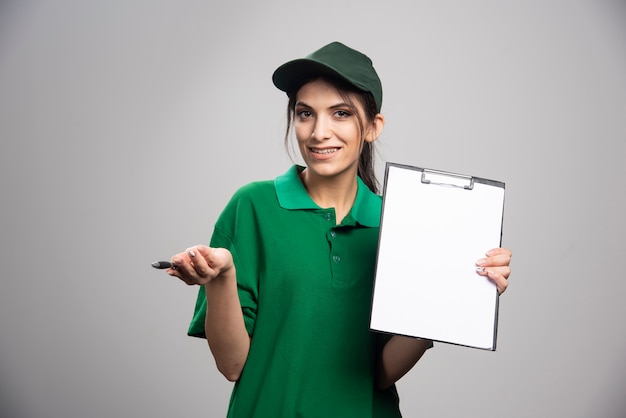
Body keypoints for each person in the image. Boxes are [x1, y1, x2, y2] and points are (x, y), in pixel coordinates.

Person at [165, 41, 512, 417]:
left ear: (372, 127)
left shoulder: (401, 225)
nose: (319, 132)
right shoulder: (252, 207)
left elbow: (380, 373)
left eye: (340, 113)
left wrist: (456, 288)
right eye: (305, 114)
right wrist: (222, 277)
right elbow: (231, 365)